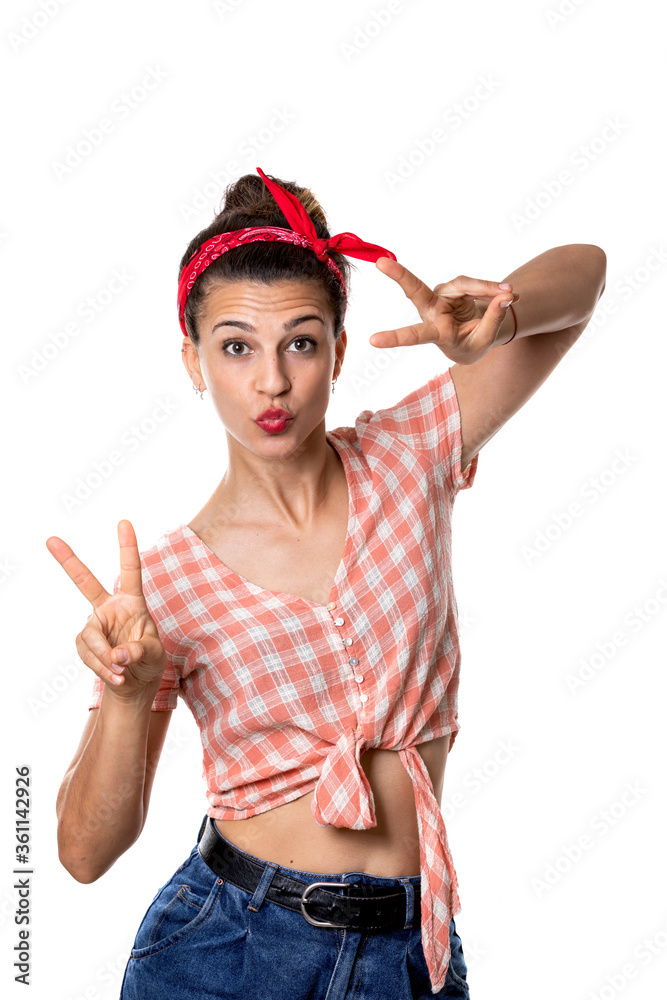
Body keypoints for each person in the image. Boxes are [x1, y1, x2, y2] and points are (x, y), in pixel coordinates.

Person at [48, 167, 606, 999]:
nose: (272, 382)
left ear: (339, 352)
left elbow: (587, 272)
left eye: (301, 343)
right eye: (236, 346)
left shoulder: (406, 455)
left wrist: (496, 319)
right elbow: (84, 854)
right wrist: (127, 697)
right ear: (194, 362)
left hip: (411, 951)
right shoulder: (161, 586)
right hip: (228, 948)